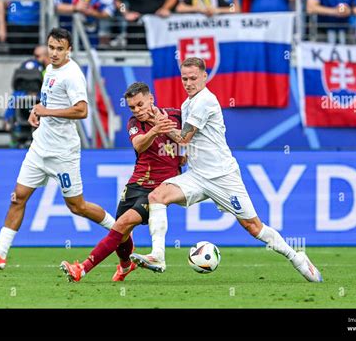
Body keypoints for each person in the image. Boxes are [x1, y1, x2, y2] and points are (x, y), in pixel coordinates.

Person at [130, 57, 323, 283]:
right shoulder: (187, 104)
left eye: (193, 78)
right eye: (184, 78)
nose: (188, 83)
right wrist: (183, 154)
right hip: (198, 175)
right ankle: (158, 256)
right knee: (157, 196)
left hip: (222, 176)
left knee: (253, 227)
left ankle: (297, 258)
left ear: (204, 76)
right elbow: (190, 143)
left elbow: (184, 138)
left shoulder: (205, 101)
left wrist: (160, 125)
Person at [0, 28, 115, 269]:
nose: (54, 53)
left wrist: (46, 111)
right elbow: (48, 101)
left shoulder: (72, 75)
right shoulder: (49, 69)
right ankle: (0, 253)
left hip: (63, 153)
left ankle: (119, 229)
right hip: (40, 147)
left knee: (77, 206)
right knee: (18, 197)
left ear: (69, 50)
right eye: (51, 47)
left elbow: (82, 110)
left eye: (60, 49)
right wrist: (36, 110)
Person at [59, 82, 182, 282]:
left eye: (140, 104)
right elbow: (139, 145)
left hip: (159, 189)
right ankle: (125, 266)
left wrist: (184, 155)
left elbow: (190, 139)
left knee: (123, 224)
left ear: (151, 98)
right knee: (121, 233)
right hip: (136, 184)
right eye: (132, 107)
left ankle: (82, 269)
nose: (137, 110)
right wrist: (155, 130)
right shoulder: (135, 123)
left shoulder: (176, 115)